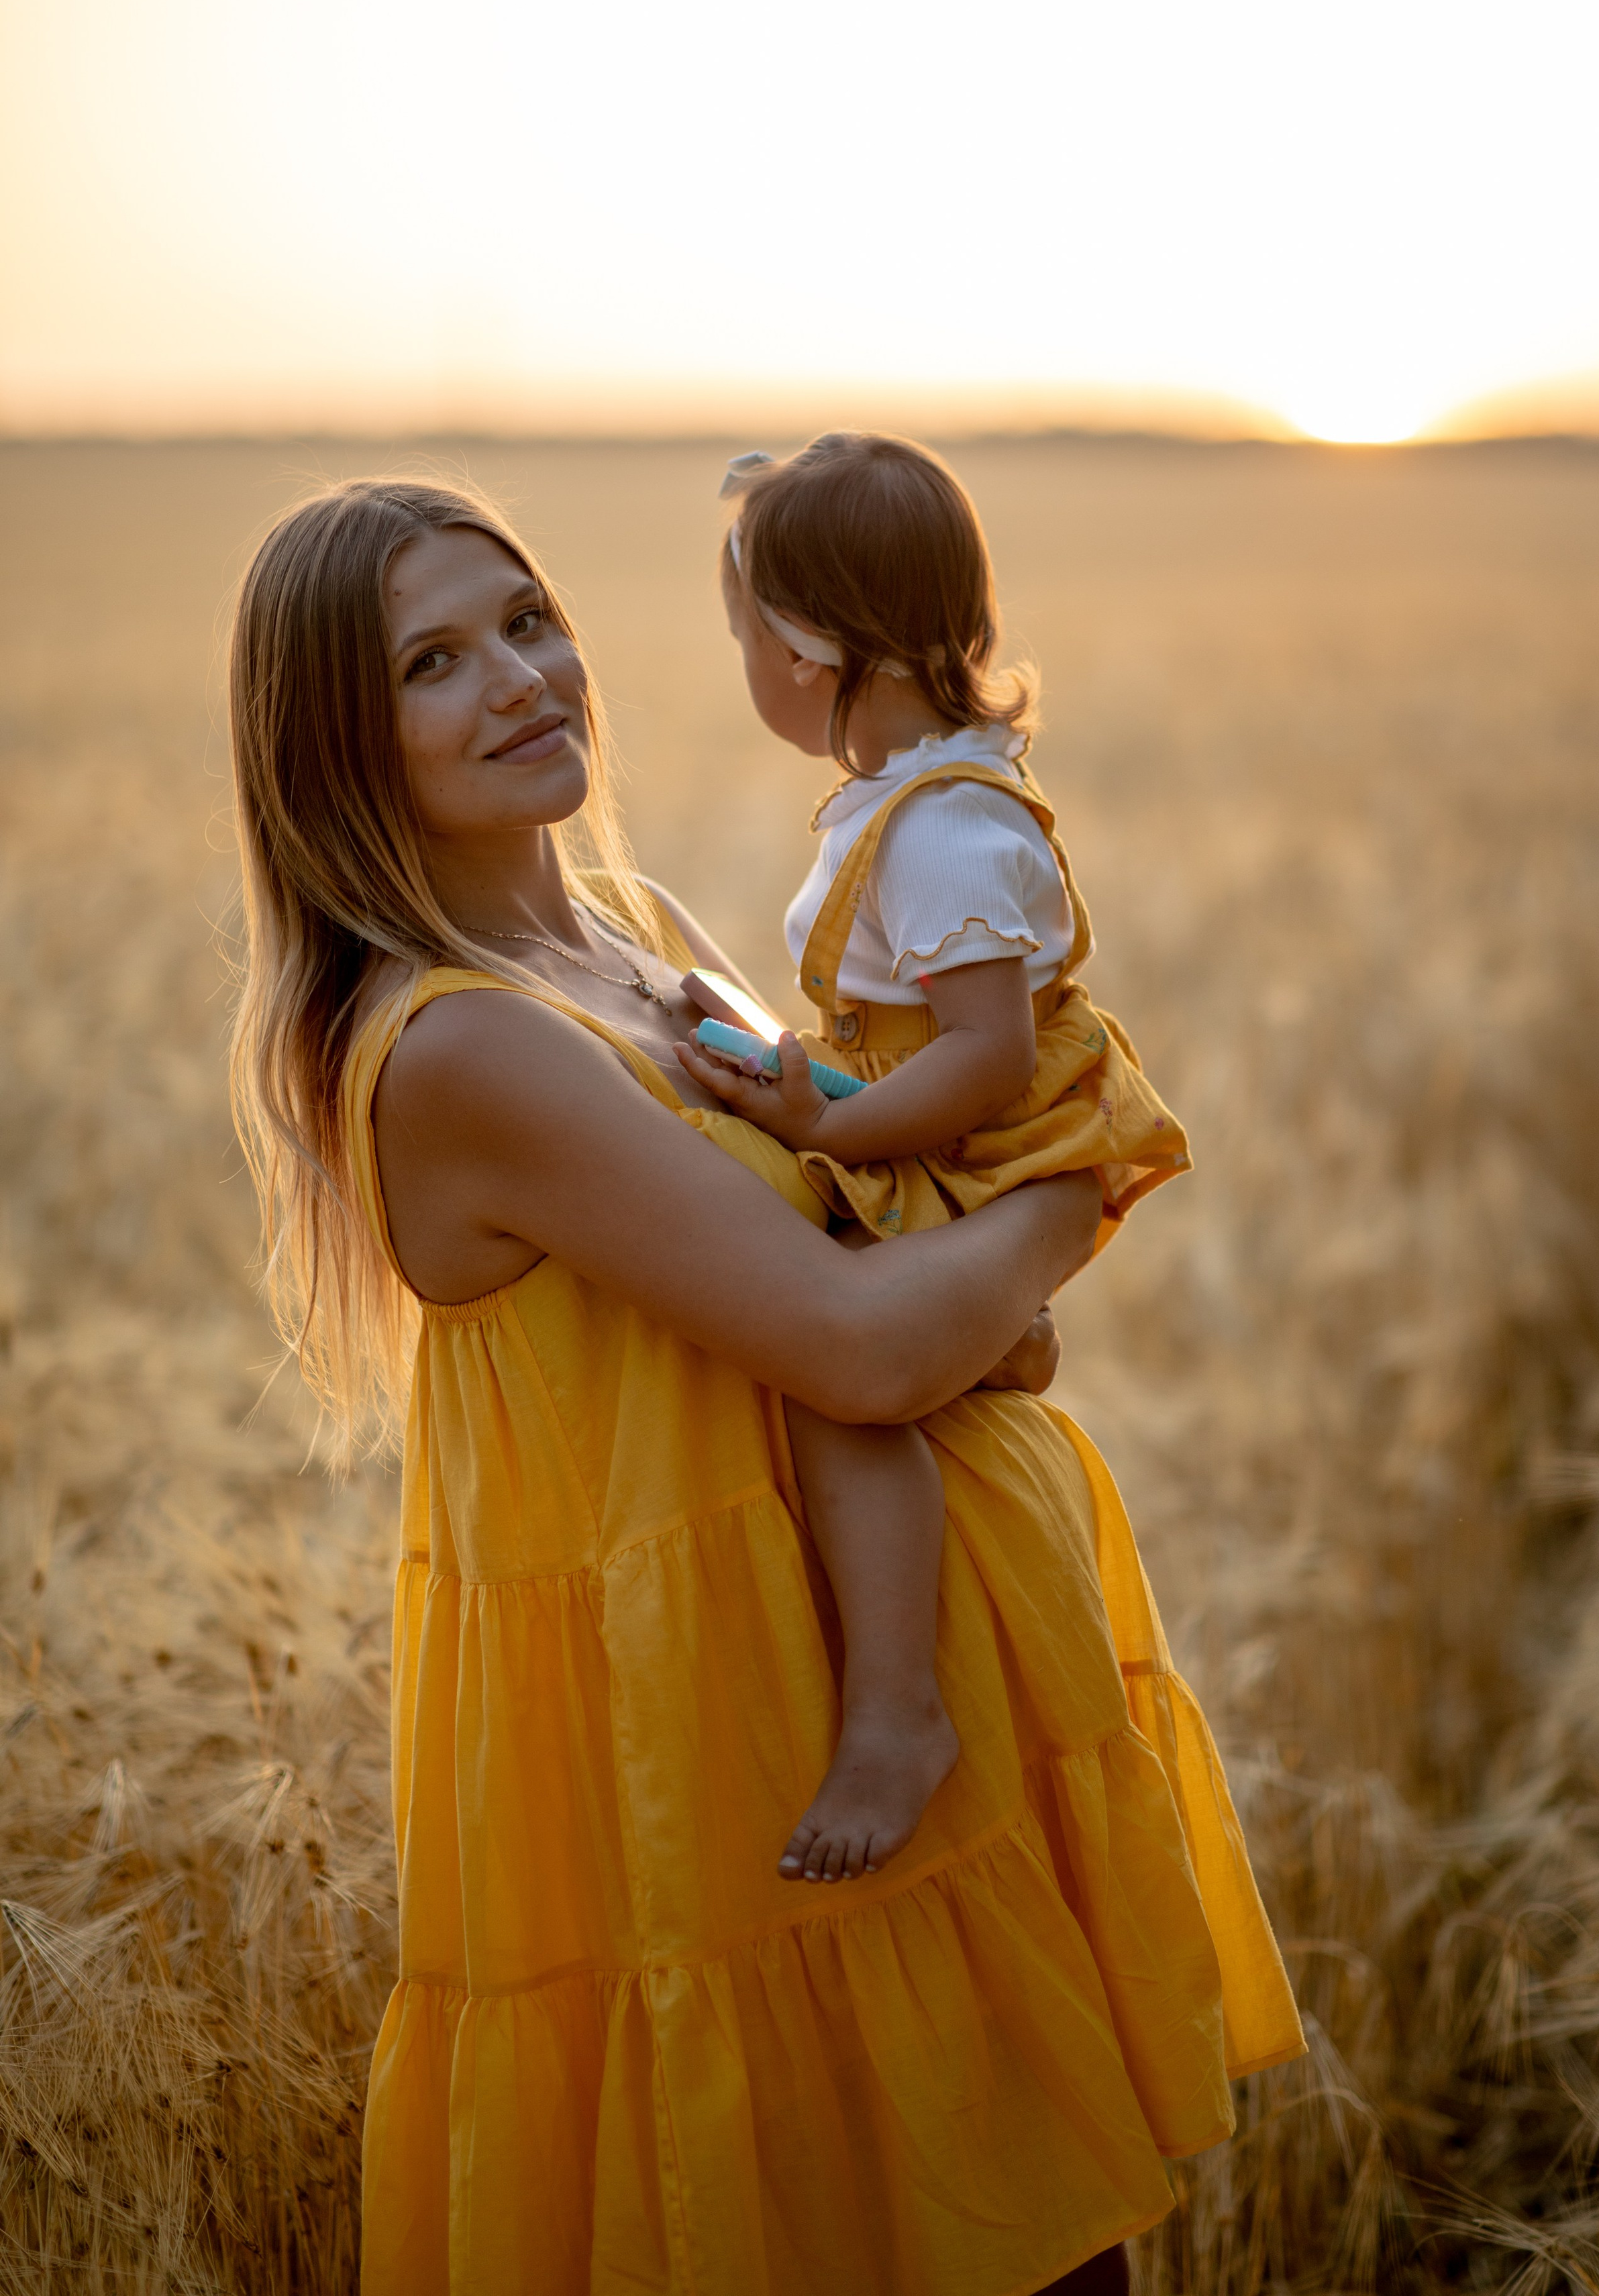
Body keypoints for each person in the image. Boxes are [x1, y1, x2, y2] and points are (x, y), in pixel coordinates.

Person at [227, 474, 1303, 2296]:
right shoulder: (466, 1042)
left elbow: (872, 1235)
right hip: (728, 1775)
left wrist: (963, 1269)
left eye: (526, 620)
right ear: (338, 745)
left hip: (880, 1717)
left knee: (1023, 2240)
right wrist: (1078, 1185)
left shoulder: (633, 936)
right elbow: (874, 1337)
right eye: (432, 661)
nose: (520, 679)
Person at [680, 434, 1195, 1889]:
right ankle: (978, 1338)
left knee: (836, 1377)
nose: (743, 665)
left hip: (989, 1133)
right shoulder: (917, 798)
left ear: (804, 643)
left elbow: (976, 1059)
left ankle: (897, 1712)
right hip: (938, 1112)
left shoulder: (947, 833)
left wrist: (827, 1126)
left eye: (740, 634)